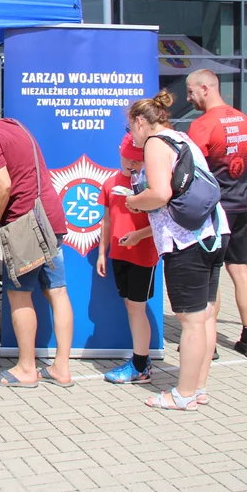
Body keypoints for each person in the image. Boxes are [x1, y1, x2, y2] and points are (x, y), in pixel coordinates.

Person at [0, 92, 74, 389]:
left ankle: (26, 369)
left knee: (19, 295)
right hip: (50, 219)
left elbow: (3, 184)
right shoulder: (14, 126)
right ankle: (61, 368)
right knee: (57, 293)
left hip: (24, 224)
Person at [126, 90, 229, 411]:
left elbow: (159, 194)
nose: (131, 135)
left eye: (130, 127)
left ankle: (182, 394)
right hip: (214, 231)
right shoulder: (182, 138)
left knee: (191, 320)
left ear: (141, 122)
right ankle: (198, 387)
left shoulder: (156, 144)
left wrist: (132, 201)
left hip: (186, 240)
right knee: (205, 316)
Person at [186, 69, 247, 359]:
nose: (189, 98)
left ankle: (210, 343)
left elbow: (193, 174)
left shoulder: (202, 126)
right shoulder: (245, 121)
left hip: (214, 212)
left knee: (210, 275)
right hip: (241, 208)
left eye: (191, 92)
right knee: (241, 272)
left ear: (206, 88)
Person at [96, 134, 158, 384]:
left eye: (138, 159)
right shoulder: (111, 183)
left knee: (136, 307)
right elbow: (107, 220)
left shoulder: (153, 186)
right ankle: (140, 358)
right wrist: (102, 252)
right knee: (131, 306)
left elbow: (163, 222)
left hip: (143, 254)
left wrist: (138, 236)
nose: (132, 164)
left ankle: (141, 364)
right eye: (127, 157)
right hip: (118, 254)